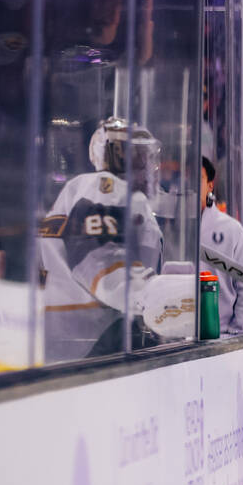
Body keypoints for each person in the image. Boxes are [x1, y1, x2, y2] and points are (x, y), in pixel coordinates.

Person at [38, 117, 164, 361]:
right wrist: (157, 297)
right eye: (140, 158)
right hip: (94, 335)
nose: (150, 168)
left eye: (149, 158)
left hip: (80, 333)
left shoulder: (90, 189)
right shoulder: (105, 188)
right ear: (117, 158)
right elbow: (101, 262)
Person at [200, 157, 243, 334]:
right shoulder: (171, 228)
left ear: (210, 185)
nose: (190, 186)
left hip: (222, 335)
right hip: (175, 336)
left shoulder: (231, 229)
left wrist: (237, 333)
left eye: (197, 179)